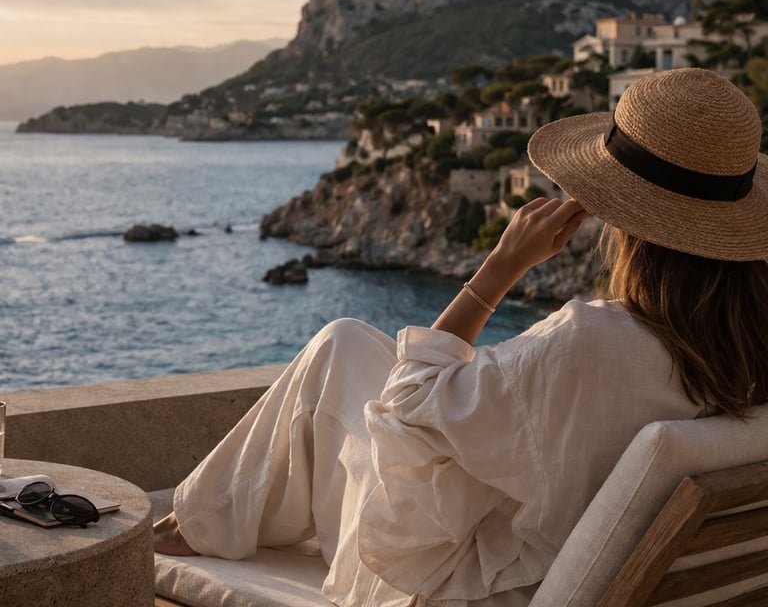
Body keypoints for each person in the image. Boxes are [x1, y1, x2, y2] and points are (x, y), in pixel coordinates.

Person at [154, 67, 768, 606]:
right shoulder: (744, 349)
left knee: (337, 347)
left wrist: (500, 267)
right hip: (580, 563)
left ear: (621, 218)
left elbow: (409, 405)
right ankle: (205, 518)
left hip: (466, 589)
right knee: (348, 345)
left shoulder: (594, 344)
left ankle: (190, 528)